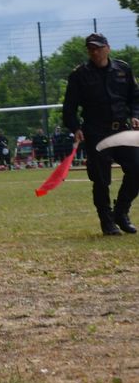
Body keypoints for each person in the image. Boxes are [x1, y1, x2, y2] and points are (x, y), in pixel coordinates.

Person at [61, 32, 139, 236]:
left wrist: (135, 115)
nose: (95, 52)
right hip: (96, 132)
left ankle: (121, 213)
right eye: (91, 49)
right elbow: (69, 107)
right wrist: (75, 128)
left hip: (122, 129)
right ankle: (107, 221)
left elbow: (135, 97)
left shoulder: (123, 69)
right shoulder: (79, 75)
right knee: (101, 179)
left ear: (108, 48)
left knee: (136, 169)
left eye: (98, 47)